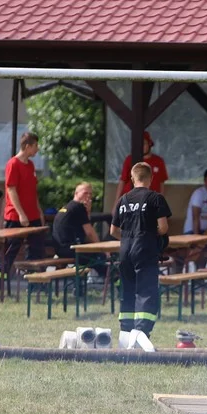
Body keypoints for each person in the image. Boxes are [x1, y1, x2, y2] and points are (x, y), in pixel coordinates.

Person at [111, 162, 171, 335]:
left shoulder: (123, 200)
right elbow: (163, 227)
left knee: (128, 288)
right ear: (151, 178)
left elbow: (113, 231)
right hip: (144, 248)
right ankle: (142, 331)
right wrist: (147, 235)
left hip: (125, 249)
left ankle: (126, 330)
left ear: (132, 178)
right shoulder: (155, 198)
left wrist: (130, 236)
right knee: (146, 290)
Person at [0, 132, 46, 283]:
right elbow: (11, 190)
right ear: (27, 146)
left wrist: (39, 212)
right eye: (35, 146)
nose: (37, 149)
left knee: (37, 249)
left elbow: (32, 191)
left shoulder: (30, 165)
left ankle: (34, 283)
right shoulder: (13, 164)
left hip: (33, 215)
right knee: (10, 250)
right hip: (15, 216)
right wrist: (21, 214)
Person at [52, 182, 107, 277]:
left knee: (91, 255)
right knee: (100, 257)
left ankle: (82, 285)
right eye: (85, 193)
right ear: (76, 193)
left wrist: (88, 211)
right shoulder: (78, 207)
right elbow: (90, 233)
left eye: (90, 194)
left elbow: (85, 230)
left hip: (60, 249)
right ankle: (114, 282)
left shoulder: (68, 207)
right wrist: (102, 249)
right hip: (70, 250)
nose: (88, 196)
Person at [113, 131, 168, 212]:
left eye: (144, 143)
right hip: (131, 203)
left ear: (149, 144)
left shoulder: (159, 161)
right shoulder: (130, 159)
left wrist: (161, 204)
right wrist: (116, 204)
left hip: (151, 203)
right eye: (139, 144)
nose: (142, 146)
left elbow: (161, 184)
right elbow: (122, 181)